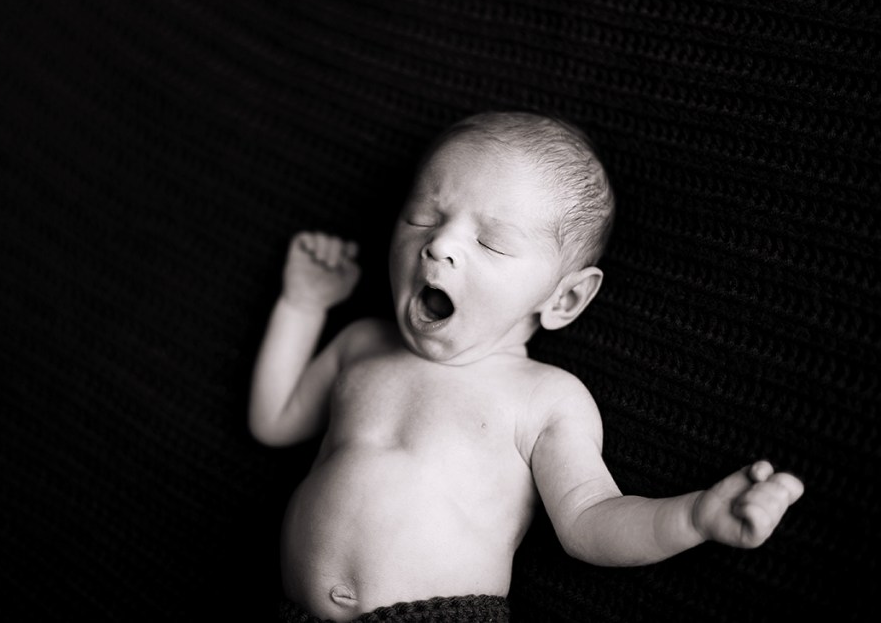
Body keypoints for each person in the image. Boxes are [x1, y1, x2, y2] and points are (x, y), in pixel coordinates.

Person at [249, 112, 805, 622]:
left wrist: (693, 519)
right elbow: (273, 421)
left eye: (490, 241)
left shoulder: (543, 398)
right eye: (424, 216)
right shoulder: (361, 344)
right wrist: (301, 306)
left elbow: (590, 521)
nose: (440, 243)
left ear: (563, 300)